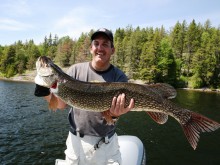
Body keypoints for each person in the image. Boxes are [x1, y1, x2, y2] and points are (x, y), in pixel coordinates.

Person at [35, 28, 134, 165]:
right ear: (91, 48)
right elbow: (61, 104)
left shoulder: (119, 77)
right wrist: (45, 92)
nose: (100, 48)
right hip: (76, 144)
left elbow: (114, 114)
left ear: (113, 50)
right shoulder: (75, 70)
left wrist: (115, 115)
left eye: (105, 44)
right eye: (96, 43)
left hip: (107, 145)